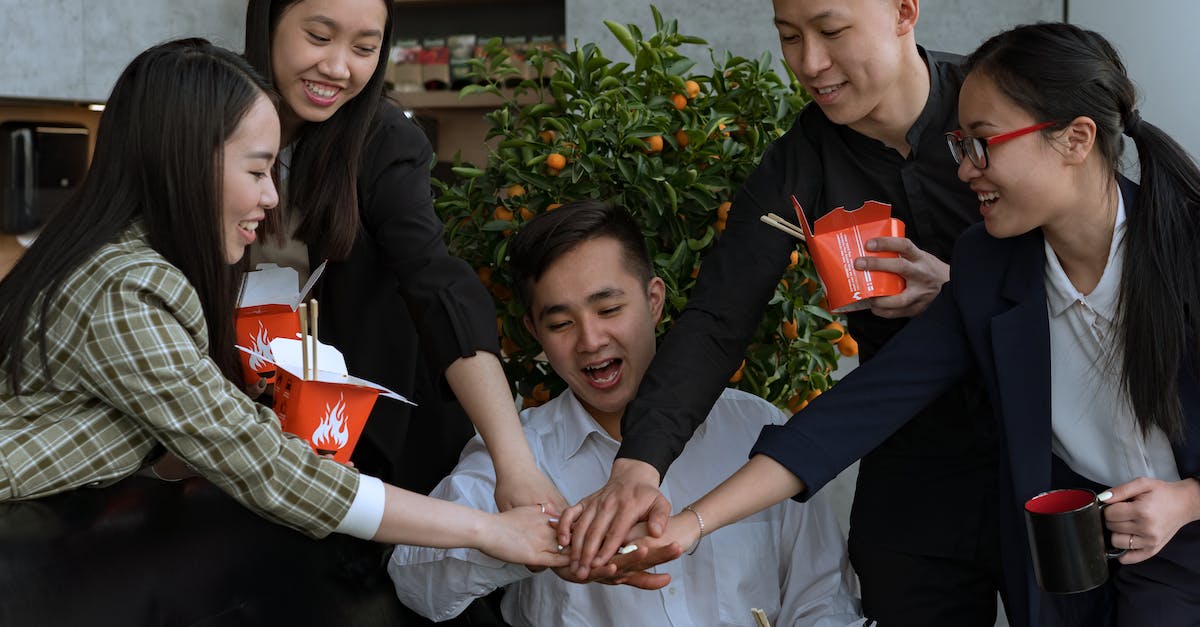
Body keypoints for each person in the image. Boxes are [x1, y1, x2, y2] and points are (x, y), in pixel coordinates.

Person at [624, 21, 1200, 627]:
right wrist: (689, 524)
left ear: (1076, 138)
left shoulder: (1181, 247)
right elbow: (858, 409)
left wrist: (1187, 502)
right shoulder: (989, 264)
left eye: (983, 143)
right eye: (959, 146)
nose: (965, 169)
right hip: (1064, 545)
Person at [0, 38, 568, 569]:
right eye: (256, 171)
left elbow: (174, 443)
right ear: (185, 162)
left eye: (367, 44)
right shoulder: (124, 289)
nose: (271, 198)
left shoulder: (111, 261)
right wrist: (485, 530)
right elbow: (263, 466)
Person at [560, 1, 1004, 623]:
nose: (810, 63)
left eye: (831, 31)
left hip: (1041, 437)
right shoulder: (799, 162)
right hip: (904, 457)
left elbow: (1090, 255)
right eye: (790, 37)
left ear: (904, 11)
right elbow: (718, 318)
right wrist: (640, 464)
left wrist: (963, 288)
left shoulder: (997, 108)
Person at [387, 200, 865, 627]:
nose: (591, 340)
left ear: (654, 301)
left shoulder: (751, 429)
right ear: (533, 330)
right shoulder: (518, 453)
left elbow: (824, 599)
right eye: (560, 323)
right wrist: (518, 547)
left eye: (610, 309)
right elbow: (416, 585)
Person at [242, 0, 563, 509]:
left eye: (365, 48)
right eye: (320, 37)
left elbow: (436, 281)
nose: (339, 68)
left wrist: (514, 462)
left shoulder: (384, 140)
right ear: (266, 24)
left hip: (373, 437)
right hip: (245, 422)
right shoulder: (212, 123)